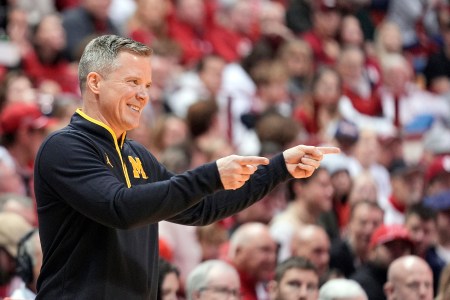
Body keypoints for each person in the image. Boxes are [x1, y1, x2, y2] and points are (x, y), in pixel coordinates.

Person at [33, 34, 340, 299]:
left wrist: (278, 169)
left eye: (147, 84)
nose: (143, 94)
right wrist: (211, 174)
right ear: (95, 82)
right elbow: (119, 208)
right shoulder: (65, 147)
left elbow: (201, 207)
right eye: (133, 82)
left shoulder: (137, 155)